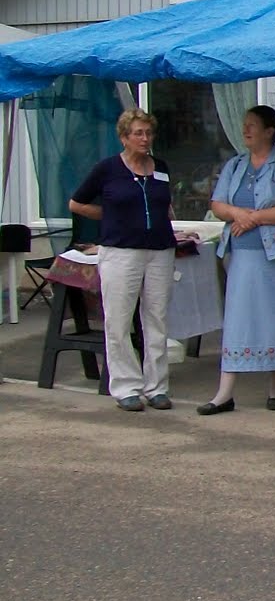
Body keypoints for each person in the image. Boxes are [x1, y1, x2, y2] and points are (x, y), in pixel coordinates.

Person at [200, 105, 275, 414]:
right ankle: (224, 392)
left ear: (270, 131)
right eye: (244, 124)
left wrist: (254, 218)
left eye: (252, 125)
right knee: (238, 320)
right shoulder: (235, 165)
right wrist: (239, 214)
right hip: (241, 255)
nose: (245, 130)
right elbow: (218, 204)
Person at [68, 108, 178, 412]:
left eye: (149, 133)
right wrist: (109, 216)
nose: (145, 139)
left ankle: (157, 386)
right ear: (124, 137)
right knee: (118, 318)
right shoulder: (107, 169)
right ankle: (126, 385)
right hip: (120, 251)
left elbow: (164, 204)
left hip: (159, 248)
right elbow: (76, 203)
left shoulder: (161, 167)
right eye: (138, 133)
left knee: (156, 317)